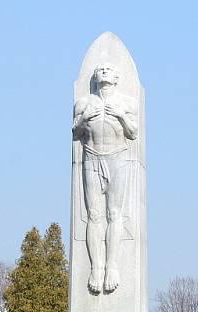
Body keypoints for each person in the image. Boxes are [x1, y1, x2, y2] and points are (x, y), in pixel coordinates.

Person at [72, 63, 139, 294]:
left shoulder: (128, 102)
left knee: (114, 213)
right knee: (94, 215)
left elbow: (133, 132)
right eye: (100, 69)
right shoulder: (84, 103)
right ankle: (96, 268)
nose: (103, 71)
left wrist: (120, 115)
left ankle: (112, 266)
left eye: (109, 69)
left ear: (117, 76)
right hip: (91, 156)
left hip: (117, 157)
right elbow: (75, 133)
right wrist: (82, 120)